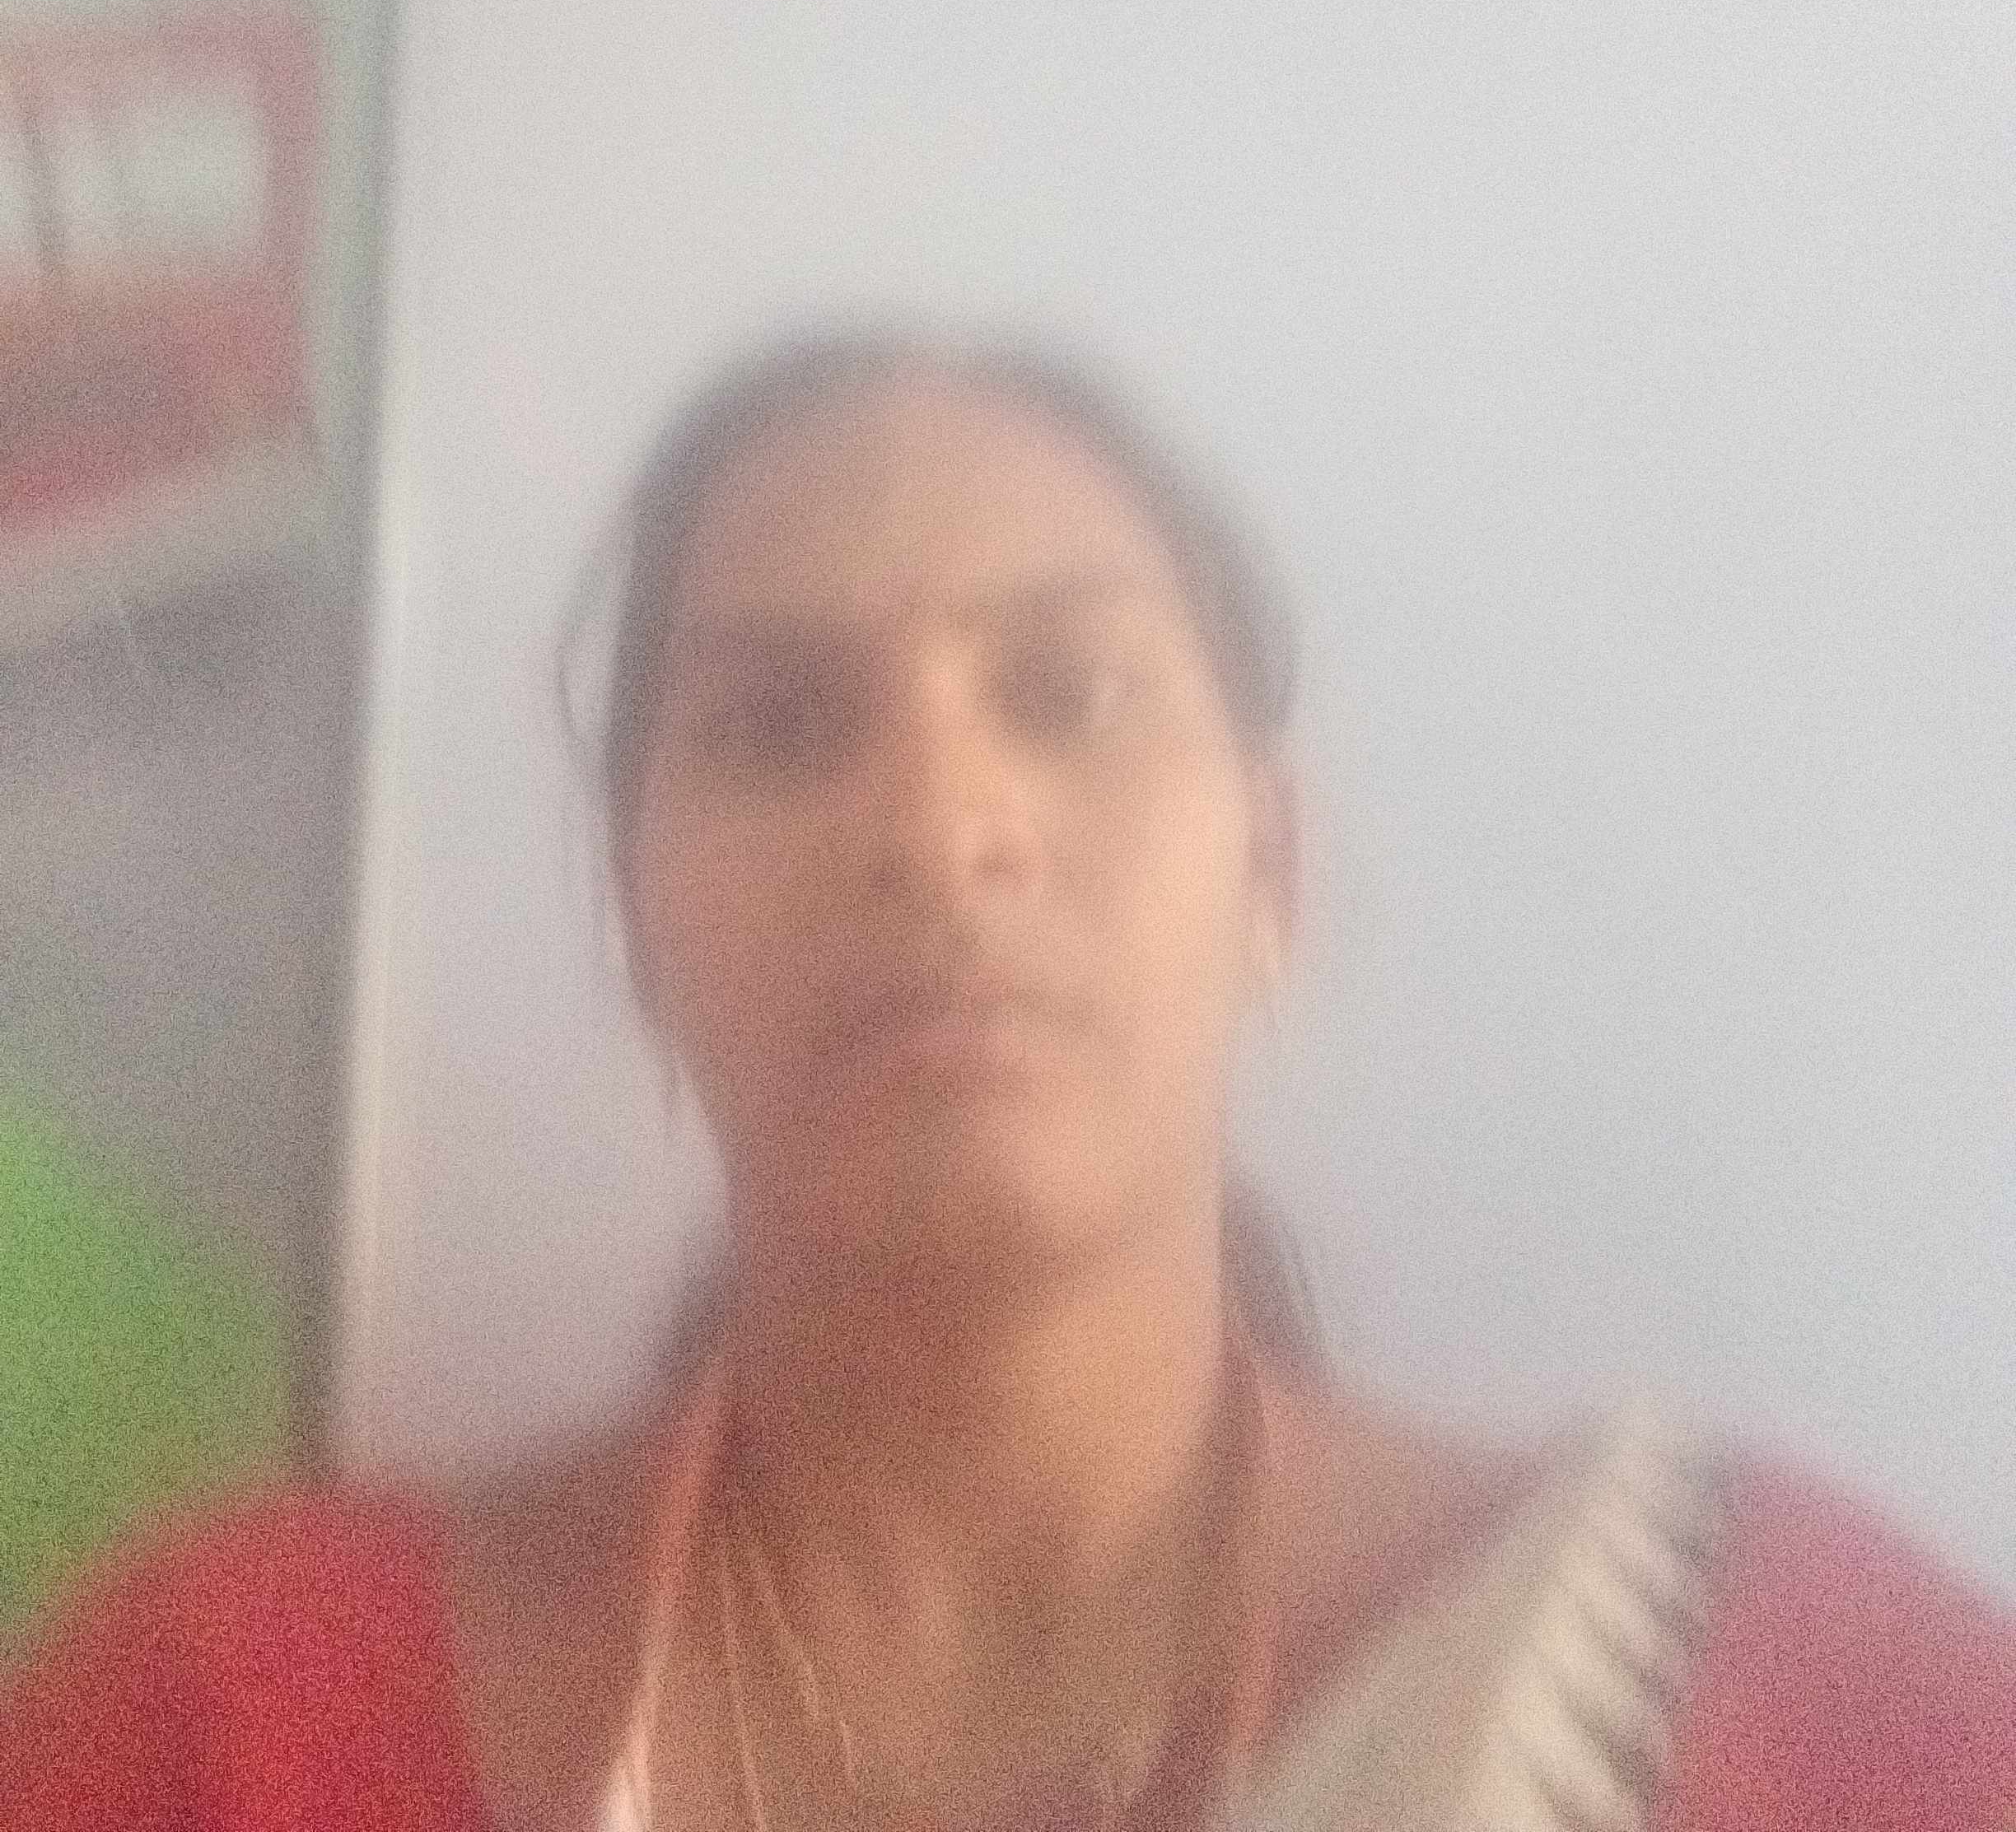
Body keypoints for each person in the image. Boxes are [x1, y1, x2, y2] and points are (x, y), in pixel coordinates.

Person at [3, 324, 2013, 1831]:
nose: (940, 825)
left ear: (1272, 876)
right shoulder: (210, 1719)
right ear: (636, 922)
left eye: (1071, 692)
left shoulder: (1806, 1695)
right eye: (778, 723)